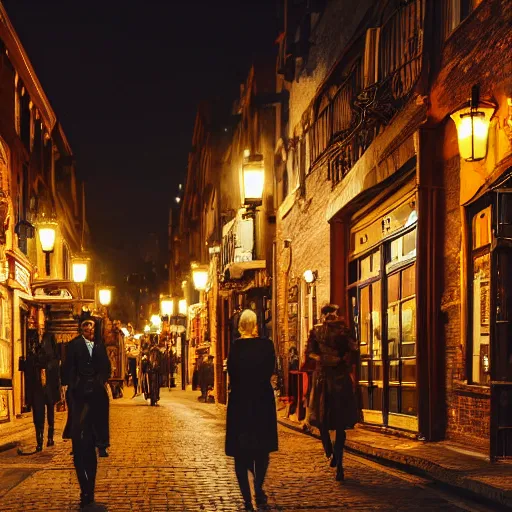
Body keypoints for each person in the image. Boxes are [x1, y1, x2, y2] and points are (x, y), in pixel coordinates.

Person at [225, 309, 277, 511]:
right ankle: (258, 486)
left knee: (240, 451)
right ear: (256, 325)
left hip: (241, 401)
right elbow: (269, 369)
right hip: (262, 400)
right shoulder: (266, 346)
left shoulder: (236, 347)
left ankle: (247, 499)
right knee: (262, 450)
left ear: (240, 326)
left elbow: (232, 372)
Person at [61, 318, 111, 510]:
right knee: (79, 444)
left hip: (96, 397)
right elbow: (66, 370)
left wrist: (99, 381)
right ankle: (84, 489)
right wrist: (73, 385)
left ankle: (90, 489)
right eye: (85, 325)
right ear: (80, 328)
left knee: (91, 447)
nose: (89, 328)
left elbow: (106, 368)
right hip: (79, 397)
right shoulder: (74, 345)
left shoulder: (99, 346)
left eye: (91, 325)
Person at [307, 304, 358, 482]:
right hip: (323, 378)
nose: (330, 317)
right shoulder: (316, 331)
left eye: (332, 314)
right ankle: (330, 449)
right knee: (322, 419)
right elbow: (310, 353)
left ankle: (339, 462)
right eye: (328, 315)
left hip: (338, 378)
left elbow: (354, 351)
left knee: (340, 423)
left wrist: (341, 359)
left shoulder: (345, 331)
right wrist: (322, 358)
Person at [20, 330, 60, 451]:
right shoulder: (32, 337)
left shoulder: (50, 337)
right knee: (38, 413)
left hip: (49, 384)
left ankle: (50, 437)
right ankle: (40, 440)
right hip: (37, 385)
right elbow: (28, 364)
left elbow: (55, 360)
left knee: (50, 412)